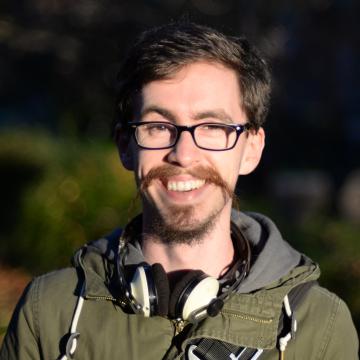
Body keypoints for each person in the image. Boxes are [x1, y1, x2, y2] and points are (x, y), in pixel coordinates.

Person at [0, 21, 358, 360]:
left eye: (213, 127)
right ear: (125, 145)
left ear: (252, 148)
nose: (183, 155)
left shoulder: (319, 327)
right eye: (158, 126)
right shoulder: (51, 312)